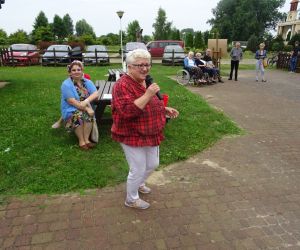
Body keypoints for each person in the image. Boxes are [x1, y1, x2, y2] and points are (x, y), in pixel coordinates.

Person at [111, 49, 179, 210]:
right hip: (131, 133)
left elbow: (151, 102)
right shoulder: (122, 85)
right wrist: (148, 94)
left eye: (147, 64)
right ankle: (131, 199)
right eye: (139, 65)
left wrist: (163, 108)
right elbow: (127, 111)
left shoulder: (146, 81)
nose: (145, 68)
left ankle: (140, 183)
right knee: (138, 168)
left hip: (151, 131)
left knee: (153, 164)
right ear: (129, 67)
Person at [61, 60, 99, 150]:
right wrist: (87, 109)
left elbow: (95, 94)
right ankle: (81, 141)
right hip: (71, 108)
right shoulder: (66, 84)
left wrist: (86, 101)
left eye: (79, 69)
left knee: (88, 116)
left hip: (84, 105)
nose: (76, 72)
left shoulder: (86, 82)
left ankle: (87, 140)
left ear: (82, 71)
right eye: (74, 70)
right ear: (70, 73)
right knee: (79, 116)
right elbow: (72, 102)